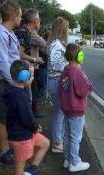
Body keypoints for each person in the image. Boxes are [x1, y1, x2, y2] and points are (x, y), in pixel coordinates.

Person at [0, 1, 22, 165]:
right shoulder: (0, 34)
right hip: (3, 82)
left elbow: (13, 57)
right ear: (14, 16)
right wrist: (14, 82)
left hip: (9, 81)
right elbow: (2, 63)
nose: (21, 18)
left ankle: (8, 147)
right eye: (20, 15)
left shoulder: (9, 32)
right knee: (2, 118)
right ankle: (2, 152)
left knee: (8, 117)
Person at [3, 60, 49, 175]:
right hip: (21, 138)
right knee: (18, 170)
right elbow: (27, 117)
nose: (33, 78)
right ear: (24, 77)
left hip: (25, 133)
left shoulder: (13, 92)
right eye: (31, 76)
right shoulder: (20, 96)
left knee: (45, 143)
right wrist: (36, 127)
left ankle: (32, 170)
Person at [58, 44, 92, 172]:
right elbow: (83, 91)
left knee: (67, 135)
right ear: (79, 56)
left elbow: (64, 87)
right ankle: (75, 162)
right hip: (76, 109)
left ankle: (67, 159)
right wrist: (88, 84)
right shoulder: (77, 72)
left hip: (66, 107)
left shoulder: (66, 69)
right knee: (76, 137)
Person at [15, 8, 45, 118]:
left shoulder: (20, 30)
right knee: (29, 95)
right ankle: (29, 117)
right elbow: (19, 54)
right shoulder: (26, 33)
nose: (40, 22)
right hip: (23, 70)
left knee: (32, 91)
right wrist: (34, 60)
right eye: (39, 20)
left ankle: (29, 114)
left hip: (19, 70)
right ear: (36, 20)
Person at [47, 17, 69, 153]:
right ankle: (57, 142)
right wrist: (69, 67)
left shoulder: (55, 43)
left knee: (60, 112)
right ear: (63, 29)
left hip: (57, 80)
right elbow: (56, 65)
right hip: (57, 81)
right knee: (59, 113)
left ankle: (58, 139)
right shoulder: (56, 44)